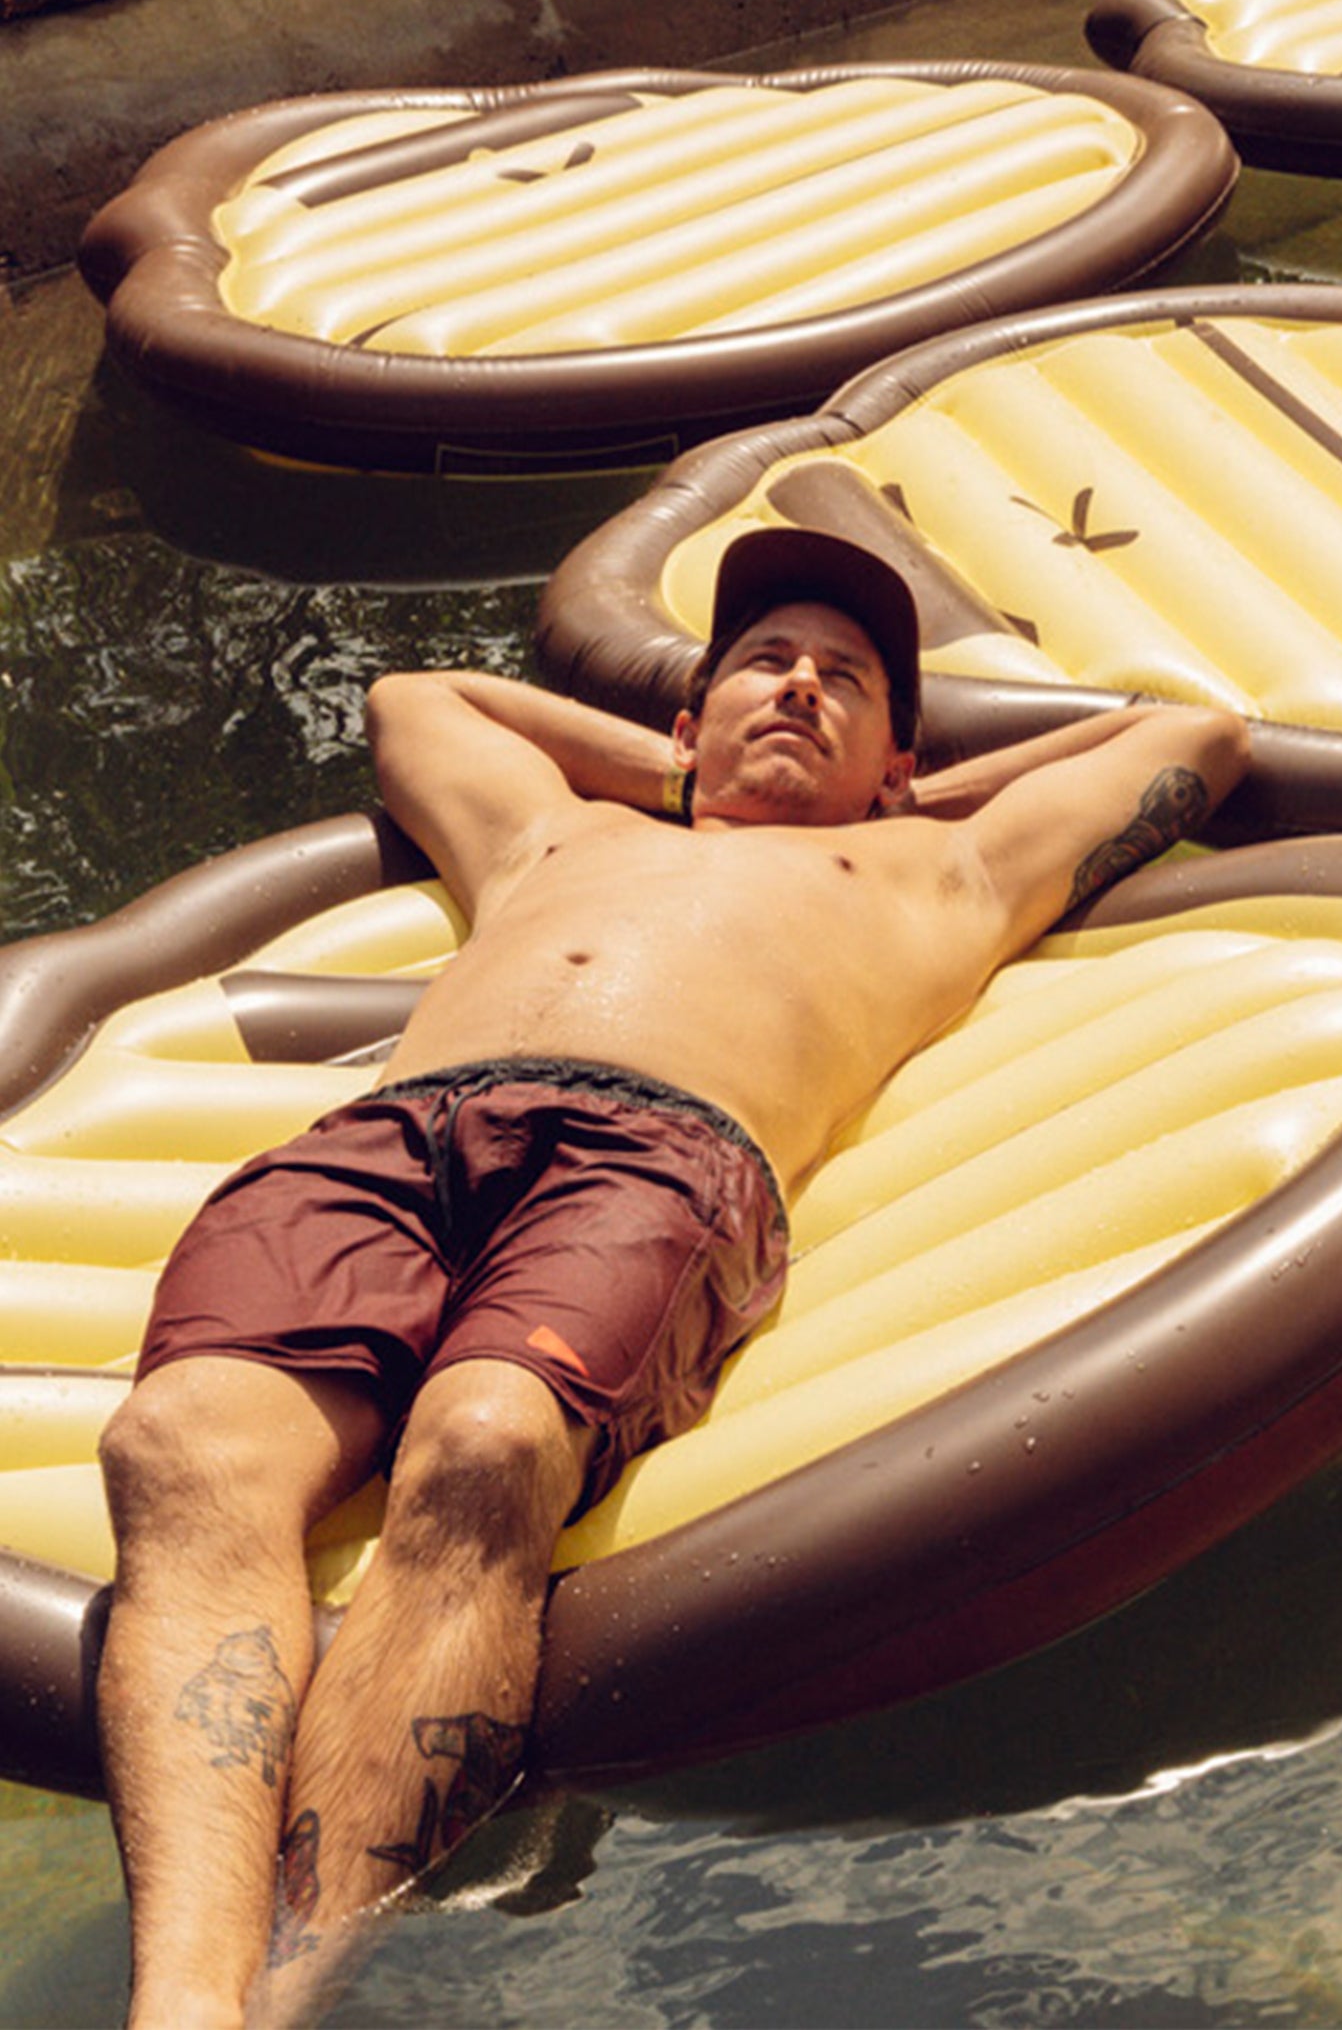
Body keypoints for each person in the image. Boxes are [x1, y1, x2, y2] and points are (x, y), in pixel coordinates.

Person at [93, 528, 1250, 2029]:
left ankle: (287, 1993)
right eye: (764, 662)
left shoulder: (940, 861)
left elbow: (1201, 734)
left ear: (901, 759)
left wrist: (916, 789)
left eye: (845, 681)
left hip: (659, 1157)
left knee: (489, 1444)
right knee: (176, 1450)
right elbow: (413, 699)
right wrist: (686, 773)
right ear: (688, 718)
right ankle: (178, 2009)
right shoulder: (557, 835)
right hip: (389, 1141)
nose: (800, 686)